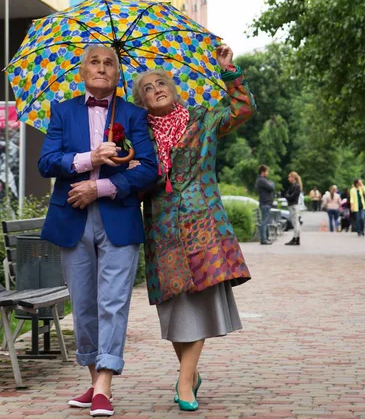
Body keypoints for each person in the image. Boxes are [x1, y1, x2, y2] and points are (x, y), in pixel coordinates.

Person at [132, 45, 254, 412]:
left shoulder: (201, 119)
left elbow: (243, 109)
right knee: (171, 306)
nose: (156, 89)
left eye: (161, 82)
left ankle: (185, 381)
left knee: (199, 301)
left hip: (203, 223)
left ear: (173, 87)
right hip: (161, 229)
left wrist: (228, 70)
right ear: (142, 101)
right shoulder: (138, 136)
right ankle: (191, 373)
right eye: (148, 88)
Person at [38, 44, 158, 418]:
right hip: (72, 217)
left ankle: (104, 384)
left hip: (118, 216)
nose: (102, 68)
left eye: (110, 63)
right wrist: (89, 159)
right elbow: (46, 162)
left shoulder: (135, 115)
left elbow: (149, 168)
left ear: (118, 74)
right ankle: (96, 379)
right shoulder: (63, 111)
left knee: (113, 302)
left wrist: (102, 185)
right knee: (85, 305)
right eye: (95, 62)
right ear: (82, 71)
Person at [255, 165, 275, 245]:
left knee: (266, 221)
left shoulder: (262, 180)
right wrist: (272, 183)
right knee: (264, 221)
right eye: (267, 171)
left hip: (266, 203)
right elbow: (271, 187)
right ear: (263, 172)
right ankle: (263, 239)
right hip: (265, 203)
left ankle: (265, 238)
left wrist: (270, 183)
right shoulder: (261, 180)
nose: (268, 173)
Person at [284, 172, 302, 246]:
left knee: (295, 222)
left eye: (289, 177)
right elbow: (287, 194)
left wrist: (288, 196)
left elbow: (291, 196)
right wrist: (288, 196)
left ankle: (296, 238)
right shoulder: (292, 186)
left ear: (293, 177)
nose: (288, 179)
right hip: (292, 205)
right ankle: (296, 238)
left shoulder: (296, 186)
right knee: (295, 222)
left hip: (294, 205)